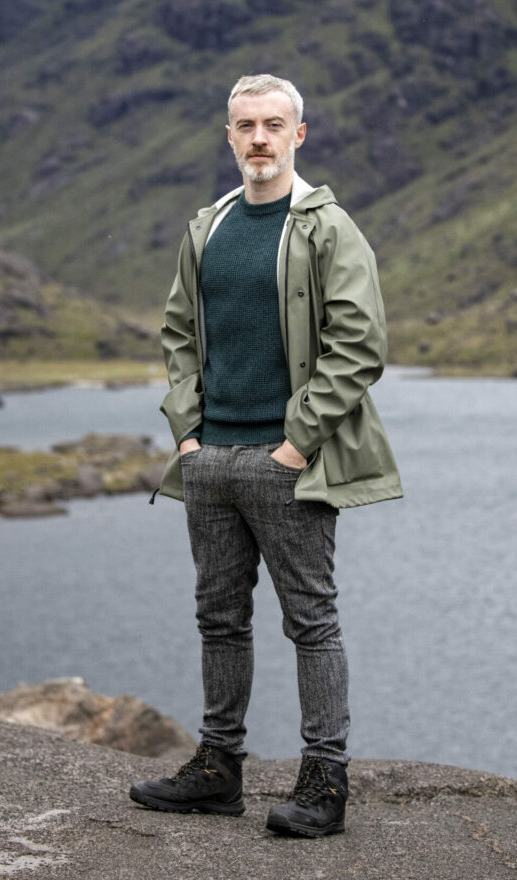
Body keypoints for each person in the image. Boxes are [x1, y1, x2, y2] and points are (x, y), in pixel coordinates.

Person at [130, 74, 402, 837]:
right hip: (210, 458)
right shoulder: (207, 227)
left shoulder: (326, 227)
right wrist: (187, 433)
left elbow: (359, 345)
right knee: (218, 619)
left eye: (273, 125)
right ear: (228, 136)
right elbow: (179, 333)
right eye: (245, 125)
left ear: (298, 135)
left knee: (310, 621)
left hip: (287, 463)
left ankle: (324, 782)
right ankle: (219, 770)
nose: (258, 138)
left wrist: (295, 444)